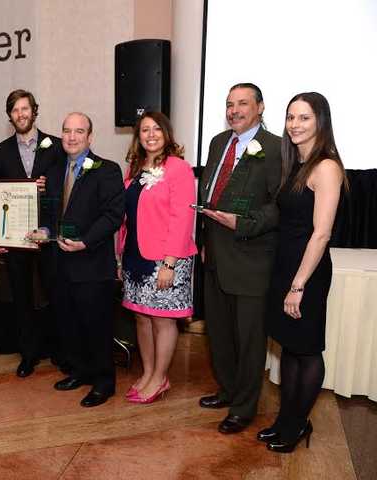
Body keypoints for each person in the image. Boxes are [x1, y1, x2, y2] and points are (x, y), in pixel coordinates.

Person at [259, 92, 346, 453]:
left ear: (320, 122)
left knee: (306, 351)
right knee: (291, 349)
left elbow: (321, 233)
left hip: (306, 273)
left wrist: (298, 285)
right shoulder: (296, 163)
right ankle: (287, 420)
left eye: (304, 118)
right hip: (286, 266)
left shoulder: (326, 167)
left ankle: (296, 426)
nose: (294, 124)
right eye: (290, 117)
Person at [198, 83, 282, 434]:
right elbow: (208, 192)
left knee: (249, 339)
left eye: (243, 104)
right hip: (215, 254)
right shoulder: (219, 142)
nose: (234, 110)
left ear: (260, 107)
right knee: (219, 333)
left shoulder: (278, 148)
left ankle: (244, 407)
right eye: (230, 104)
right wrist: (203, 240)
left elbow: (281, 205)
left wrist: (244, 224)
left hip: (251, 258)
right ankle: (229, 390)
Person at [116, 112, 197, 404]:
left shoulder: (179, 168)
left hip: (165, 258)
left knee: (162, 320)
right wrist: (120, 255)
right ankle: (148, 372)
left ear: (166, 133)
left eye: (156, 129)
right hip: (136, 255)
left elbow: (182, 218)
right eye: (144, 130)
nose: (150, 135)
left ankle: (160, 377)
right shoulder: (135, 168)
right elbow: (128, 217)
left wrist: (169, 263)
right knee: (141, 316)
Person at [44, 112, 124, 407]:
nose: (72, 137)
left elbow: (113, 215)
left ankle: (104, 382)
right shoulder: (53, 172)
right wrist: (42, 230)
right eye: (67, 131)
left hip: (91, 263)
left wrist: (85, 241)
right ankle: (79, 371)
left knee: (96, 326)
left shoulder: (108, 170)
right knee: (69, 323)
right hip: (59, 263)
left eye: (79, 131)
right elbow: (50, 214)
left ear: (90, 137)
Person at [0, 89, 62, 377]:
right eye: (15, 110)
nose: (21, 114)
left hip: (48, 233)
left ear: (34, 111)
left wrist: (48, 186)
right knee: (21, 297)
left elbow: (64, 190)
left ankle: (59, 351)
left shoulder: (55, 146)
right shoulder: (0, 150)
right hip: (15, 237)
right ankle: (28, 354)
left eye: (25, 109)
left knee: (54, 293)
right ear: (10, 116)